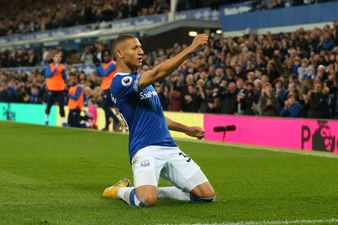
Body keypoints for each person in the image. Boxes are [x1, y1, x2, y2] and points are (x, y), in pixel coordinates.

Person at [102, 34, 215, 207]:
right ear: (120, 53)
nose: (141, 52)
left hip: (169, 147)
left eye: (140, 47)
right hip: (144, 148)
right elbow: (159, 72)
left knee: (207, 196)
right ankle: (119, 190)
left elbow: (157, 116)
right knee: (146, 200)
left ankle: (153, 190)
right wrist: (192, 48)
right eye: (135, 48)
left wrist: (185, 129)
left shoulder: (141, 82)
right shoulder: (120, 82)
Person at [96, 50, 120, 131]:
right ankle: (106, 126)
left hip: (110, 87)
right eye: (105, 56)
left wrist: (98, 66)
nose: (106, 57)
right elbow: (100, 74)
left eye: (107, 56)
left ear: (110, 56)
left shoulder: (112, 64)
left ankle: (116, 120)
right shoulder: (105, 65)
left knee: (104, 106)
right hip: (106, 88)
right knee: (106, 106)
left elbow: (104, 73)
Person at [44, 51, 67, 126]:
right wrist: (55, 69)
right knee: (49, 105)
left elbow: (64, 77)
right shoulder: (49, 66)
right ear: (53, 58)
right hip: (51, 89)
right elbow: (47, 75)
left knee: (61, 105)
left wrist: (63, 71)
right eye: (56, 56)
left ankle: (63, 121)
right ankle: (46, 119)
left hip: (60, 89)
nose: (58, 58)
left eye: (59, 57)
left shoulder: (62, 67)